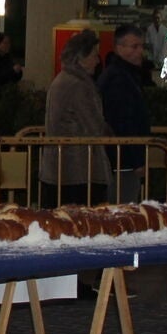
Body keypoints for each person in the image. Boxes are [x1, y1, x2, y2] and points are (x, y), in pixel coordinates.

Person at [41, 30, 115, 205]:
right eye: (94, 56)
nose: (97, 61)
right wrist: (109, 134)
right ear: (81, 58)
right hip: (79, 170)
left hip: (60, 169)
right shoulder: (79, 86)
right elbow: (94, 126)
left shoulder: (62, 80)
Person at [97, 25, 152, 203]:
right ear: (119, 48)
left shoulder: (124, 75)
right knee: (123, 207)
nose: (140, 52)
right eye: (134, 46)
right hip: (123, 158)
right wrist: (137, 159)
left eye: (141, 46)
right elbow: (123, 121)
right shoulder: (119, 78)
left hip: (123, 155)